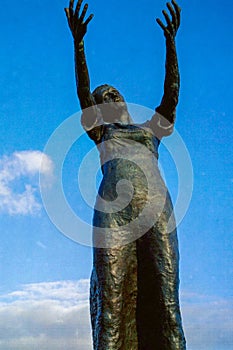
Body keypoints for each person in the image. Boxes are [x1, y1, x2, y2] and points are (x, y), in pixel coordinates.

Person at [65, 0, 186, 349]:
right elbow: (82, 94)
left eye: (114, 92)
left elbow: (171, 95)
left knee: (167, 304)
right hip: (114, 216)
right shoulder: (102, 132)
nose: (110, 96)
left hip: (156, 209)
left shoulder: (150, 130)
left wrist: (171, 43)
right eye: (104, 96)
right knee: (113, 307)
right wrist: (78, 44)